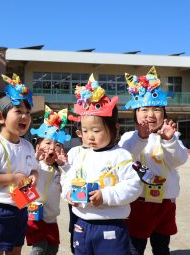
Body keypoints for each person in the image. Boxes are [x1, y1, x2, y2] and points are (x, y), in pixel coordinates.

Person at [62, 74, 142, 255]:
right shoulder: (81, 154)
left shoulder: (121, 156)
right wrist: (67, 193)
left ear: (115, 129)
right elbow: (69, 178)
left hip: (111, 225)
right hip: (82, 223)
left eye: (96, 130)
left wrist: (105, 195)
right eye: (85, 130)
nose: (90, 136)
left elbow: (133, 186)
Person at [118, 66, 188, 255]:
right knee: (135, 247)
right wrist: (141, 137)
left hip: (165, 202)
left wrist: (170, 140)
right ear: (135, 113)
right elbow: (125, 157)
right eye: (144, 109)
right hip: (138, 202)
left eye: (157, 109)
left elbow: (178, 160)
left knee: (161, 246)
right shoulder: (128, 137)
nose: (150, 114)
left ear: (164, 114)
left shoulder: (171, 136)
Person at [0, 74, 39, 255]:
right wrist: (12, 178)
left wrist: (34, 175)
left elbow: (35, 168)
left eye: (27, 113)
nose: (25, 116)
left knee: (15, 250)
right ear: (1, 117)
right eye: (18, 111)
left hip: (21, 206)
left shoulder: (27, 146)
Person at [26, 105, 71, 255]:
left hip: (52, 219)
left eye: (57, 145)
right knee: (39, 248)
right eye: (47, 143)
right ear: (38, 146)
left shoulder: (60, 169)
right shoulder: (34, 165)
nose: (52, 148)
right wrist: (34, 160)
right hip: (33, 216)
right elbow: (21, 189)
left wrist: (64, 165)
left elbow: (70, 184)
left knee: (53, 249)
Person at [65, 114, 88, 254]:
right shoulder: (74, 152)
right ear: (79, 133)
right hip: (76, 196)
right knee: (76, 226)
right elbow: (67, 175)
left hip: (93, 196)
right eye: (86, 130)